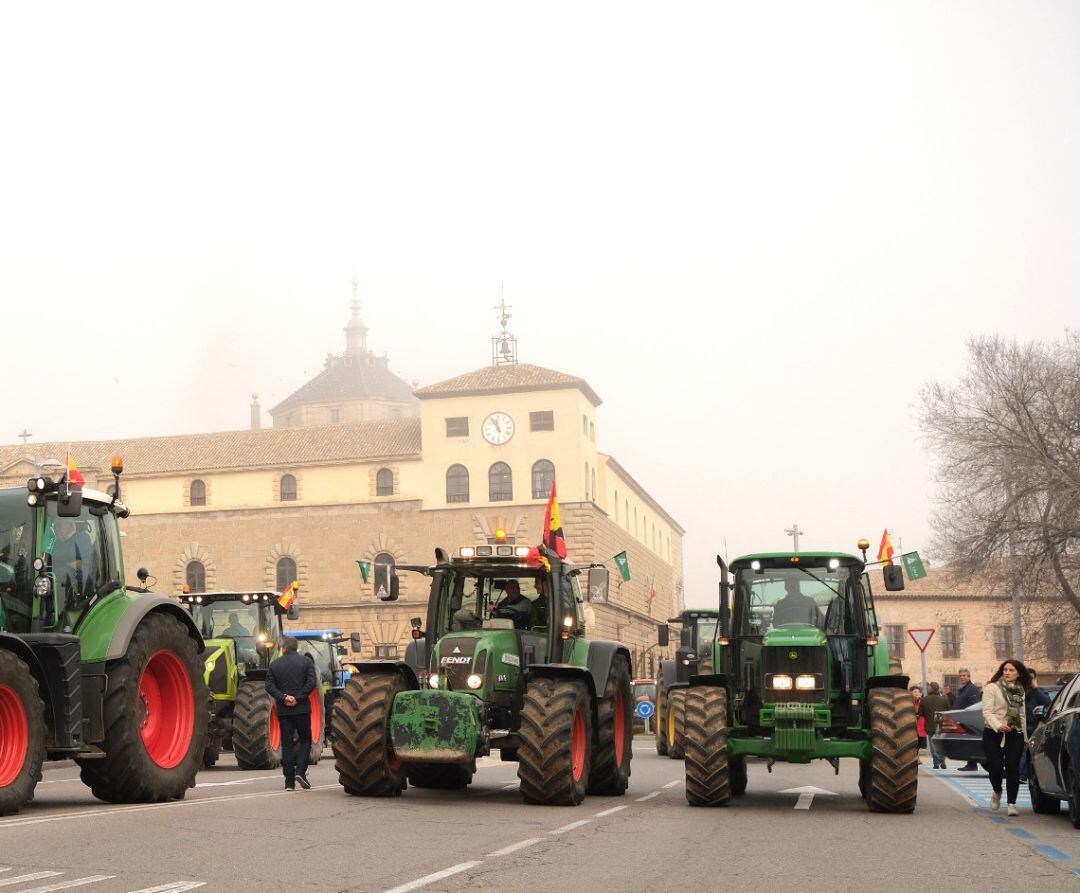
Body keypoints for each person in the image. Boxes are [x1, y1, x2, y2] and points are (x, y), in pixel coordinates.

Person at [266, 636, 318, 791]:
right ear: (297, 648)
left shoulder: (274, 664)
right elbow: (312, 683)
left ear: (283, 648)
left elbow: (269, 685)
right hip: (302, 709)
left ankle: (289, 782)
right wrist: (298, 697)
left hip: (284, 711)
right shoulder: (306, 662)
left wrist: (284, 697)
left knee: (287, 744)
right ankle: (300, 771)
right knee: (306, 740)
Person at [981, 659, 1030, 816]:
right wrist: (998, 725)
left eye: (1011, 670)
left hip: (1014, 733)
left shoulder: (1020, 690)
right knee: (995, 768)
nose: (1007, 673)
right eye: (1005, 670)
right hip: (993, 732)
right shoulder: (992, 688)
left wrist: (1026, 738)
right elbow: (987, 711)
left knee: (1012, 767)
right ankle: (997, 791)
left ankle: (1011, 804)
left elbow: (1022, 715)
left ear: (1018, 673)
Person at [1018, 668, 1052, 783]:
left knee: (1029, 751)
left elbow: (1047, 703)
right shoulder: (1019, 692)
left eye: (1031, 678)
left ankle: (1022, 775)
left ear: (1035, 679)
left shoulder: (1039, 691)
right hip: (1021, 726)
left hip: (1035, 726)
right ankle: (1020, 774)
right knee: (1021, 751)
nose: (1029, 681)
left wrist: (1035, 688)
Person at [51, 517, 94, 605]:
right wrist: (68, 563)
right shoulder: (58, 543)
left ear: (70, 525)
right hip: (59, 588)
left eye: (59, 525)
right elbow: (50, 564)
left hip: (79, 590)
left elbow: (80, 566)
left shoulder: (82, 538)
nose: (56, 529)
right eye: (54, 526)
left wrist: (57, 562)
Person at [953, 669, 982, 771]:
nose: (962, 677)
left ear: (969, 677)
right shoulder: (964, 689)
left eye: (964, 675)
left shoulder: (972, 688)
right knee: (968, 742)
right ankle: (971, 764)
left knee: (971, 742)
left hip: (969, 720)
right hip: (963, 719)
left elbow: (975, 704)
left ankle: (972, 764)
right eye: (960, 676)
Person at [920, 682, 951, 769]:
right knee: (941, 743)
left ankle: (936, 763)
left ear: (930, 689)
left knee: (933, 744)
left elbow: (920, 713)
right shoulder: (944, 699)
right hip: (941, 725)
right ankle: (942, 758)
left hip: (930, 725)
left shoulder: (924, 700)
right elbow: (949, 711)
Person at [911, 686, 927, 751]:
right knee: (913, 744)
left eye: (919, 692)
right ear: (911, 693)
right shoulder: (908, 702)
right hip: (912, 726)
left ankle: (917, 756)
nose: (917, 693)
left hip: (921, 726)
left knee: (919, 744)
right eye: (915, 692)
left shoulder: (923, 701)